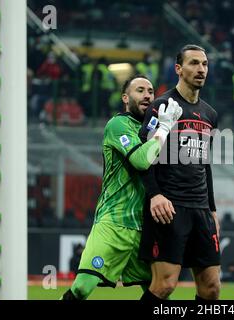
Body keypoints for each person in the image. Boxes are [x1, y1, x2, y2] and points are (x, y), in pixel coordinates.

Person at [61, 75, 182, 300]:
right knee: (82, 288)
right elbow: (140, 161)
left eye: (150, 91)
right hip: (113, 222)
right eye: (140, 90)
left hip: (145, 227)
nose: (147, 95)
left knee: (162, 291)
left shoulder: (154, 130)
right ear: (125, 98)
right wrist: (164, 129)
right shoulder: (118, 125)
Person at [138, 44, 220, 301]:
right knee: (165, 285)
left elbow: (204, 164)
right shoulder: (162, 106)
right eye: (194, 63)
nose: (201, 69)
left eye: (204, 64)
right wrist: (155, 195)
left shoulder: (210, 114)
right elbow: (142, 157)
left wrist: (212, 208)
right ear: (178, 69)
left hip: (201, 209)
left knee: (211, 289)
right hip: (169, 208)